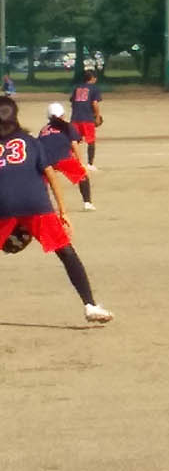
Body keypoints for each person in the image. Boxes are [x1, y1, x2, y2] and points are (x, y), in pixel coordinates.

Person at [0, 97, 113, 323]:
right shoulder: (31, 141)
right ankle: (90, 305)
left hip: (3, 204)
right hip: (36, 204)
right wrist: (63, 211)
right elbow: (51, 175)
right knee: (66, 252)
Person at [39, 103, 95, 211]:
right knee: (82, 176)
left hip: (45, 160)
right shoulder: (68, 126)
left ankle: (44, 206)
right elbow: (74, 145)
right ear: (63, 115)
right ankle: (87, 203)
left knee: (42, 182)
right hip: (62, 158)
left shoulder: (44, 129)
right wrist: (82, 163)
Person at [69, 70, 102, 170]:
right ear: (93, 78)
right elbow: (94, 103)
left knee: (74, 141)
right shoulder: (94, 88)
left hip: (75, 118)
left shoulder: (77, 88)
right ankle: (90, 164)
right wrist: (97, 116)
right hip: (87, 118)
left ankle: (72, 163)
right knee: (91, 141)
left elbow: (72, 101)